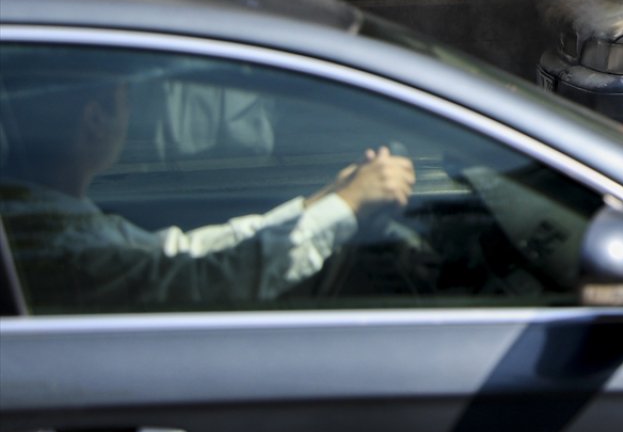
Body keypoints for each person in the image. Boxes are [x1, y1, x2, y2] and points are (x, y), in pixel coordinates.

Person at [0, 57, 415, 310]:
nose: (131, 113)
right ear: (94, 119)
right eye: (126, 98)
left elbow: (177, 256)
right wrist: (345, 207)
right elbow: (199, 282)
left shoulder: (40, 220)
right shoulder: (60, 244)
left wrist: (322, 202)